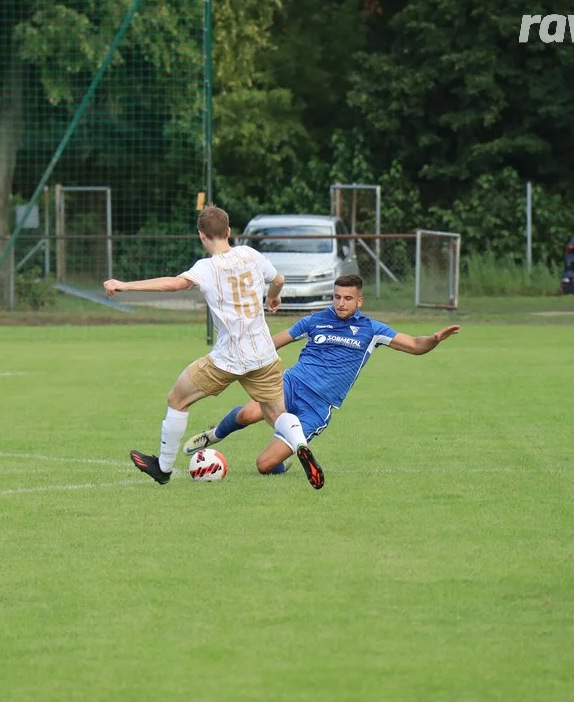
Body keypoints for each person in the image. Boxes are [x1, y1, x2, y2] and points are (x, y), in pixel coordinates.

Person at [102, 204, 325, 490]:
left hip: (227, 358)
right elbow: (279, 279)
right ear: (229, 232)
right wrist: (272, 298)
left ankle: (164, 467)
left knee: (177, 399)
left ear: (202, 236)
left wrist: (125, 286)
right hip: (264, 355)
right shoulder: (251, 255)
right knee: (276, 414)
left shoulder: (206, 268)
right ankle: (301, 446)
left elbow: (173, 284)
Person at [183, 274, 460, 475]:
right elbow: (273, 342)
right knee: (247, 415)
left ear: (359, 301)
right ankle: (214, 435)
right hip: (290, 384)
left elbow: (414, 345)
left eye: (348, 298)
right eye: (337, 297)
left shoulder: (372, 330)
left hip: (318, 406)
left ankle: (287, 457)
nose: (341, 303)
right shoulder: (316, 320)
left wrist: (434, 339)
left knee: (264, 465)